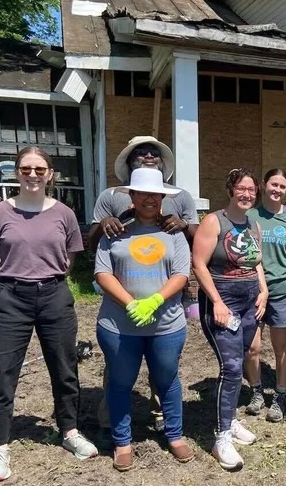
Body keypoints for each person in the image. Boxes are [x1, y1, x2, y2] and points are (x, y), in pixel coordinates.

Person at [0, 147, 97, 483]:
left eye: (40, 169)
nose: (33, 175)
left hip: (54, 296)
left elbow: (69, 258)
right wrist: (13, 279)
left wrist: (46, 278)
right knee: (1, 372)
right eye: (26, 169)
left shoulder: (64, 213)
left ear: (51, 174)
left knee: (64, 368)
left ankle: (70, 431)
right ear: (16, 172)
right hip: (11, 297)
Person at [88, 136, 199, 441]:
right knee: (119, 376)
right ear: (131, 195)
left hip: (165, 315)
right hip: (120, 318)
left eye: (154, 153)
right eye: (141, 153)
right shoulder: (110, 199)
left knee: (165, 375)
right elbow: (96, 251)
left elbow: (191, 246)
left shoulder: (179, 206)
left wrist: (183, 225)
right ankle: (113, 426)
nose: (149, 156)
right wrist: (129, 303)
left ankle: (164, 420)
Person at [193, 168, 268, 470]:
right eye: (242, 188)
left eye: (252, 190)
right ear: (231, 189)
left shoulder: (254, 224)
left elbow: (257, 263)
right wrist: (217, 303)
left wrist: (263, 291)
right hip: (223, 301)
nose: (248, 194)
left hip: (251, 301)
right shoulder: (214, 221)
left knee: (245, 356)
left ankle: (232, 419)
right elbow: (198, 264)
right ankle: (221, 437)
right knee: (232, 366)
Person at [244, 169, 286, 422]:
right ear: (264, 185)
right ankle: (257, 391)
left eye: (282, 186)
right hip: (253, 292)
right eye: (274, 184)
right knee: (252, 348)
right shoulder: (250, 216)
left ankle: (280, 395)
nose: (277, 190)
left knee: (281, 348)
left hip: (282, 292)